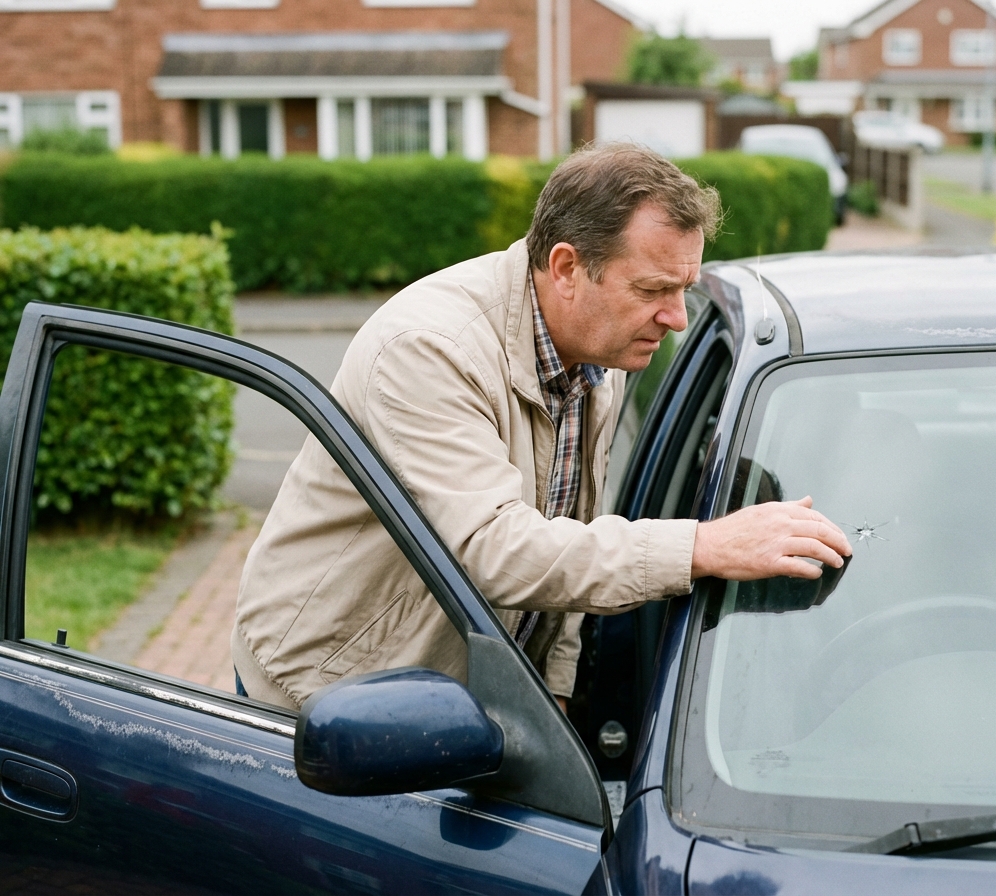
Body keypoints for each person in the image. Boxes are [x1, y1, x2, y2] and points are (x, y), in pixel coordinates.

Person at [231, 143, 851, 711]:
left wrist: (552, 698)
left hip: (458, 695)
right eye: (654, 289)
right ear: (566, 268)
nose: (677, 318)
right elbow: (494, 549)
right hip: (324, 696)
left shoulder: (598, 347)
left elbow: (567, 534)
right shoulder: (429, 349)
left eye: (684, 287)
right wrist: (704, 547)